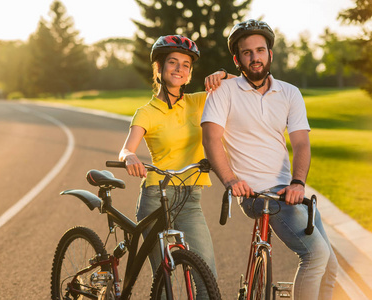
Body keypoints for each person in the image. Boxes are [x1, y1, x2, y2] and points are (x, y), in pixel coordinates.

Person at [201, 19, 338, 299]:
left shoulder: (289, 93)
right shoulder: (223, 92)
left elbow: (300, 143)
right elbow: (211, 139)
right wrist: (230, 180)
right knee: (315, 256)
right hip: (254, 193)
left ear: (270, 54)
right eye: (247, 52)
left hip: (288, 191)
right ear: (237, 59)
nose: (255, 57)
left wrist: (298, 182)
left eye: (260, 50)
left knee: (331, 267)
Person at [118, 35, 233, 280]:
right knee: (163, 278)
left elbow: (243, 87)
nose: (179, 69)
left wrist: (222, 74)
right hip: (156, 198)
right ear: (159, 68)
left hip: (190, 197)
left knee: (206, 274)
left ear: (189, 73)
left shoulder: (199, 101)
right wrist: (129, 158)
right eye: (172, 62)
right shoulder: (146, 113)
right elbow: (126, 149)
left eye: (186, 65)